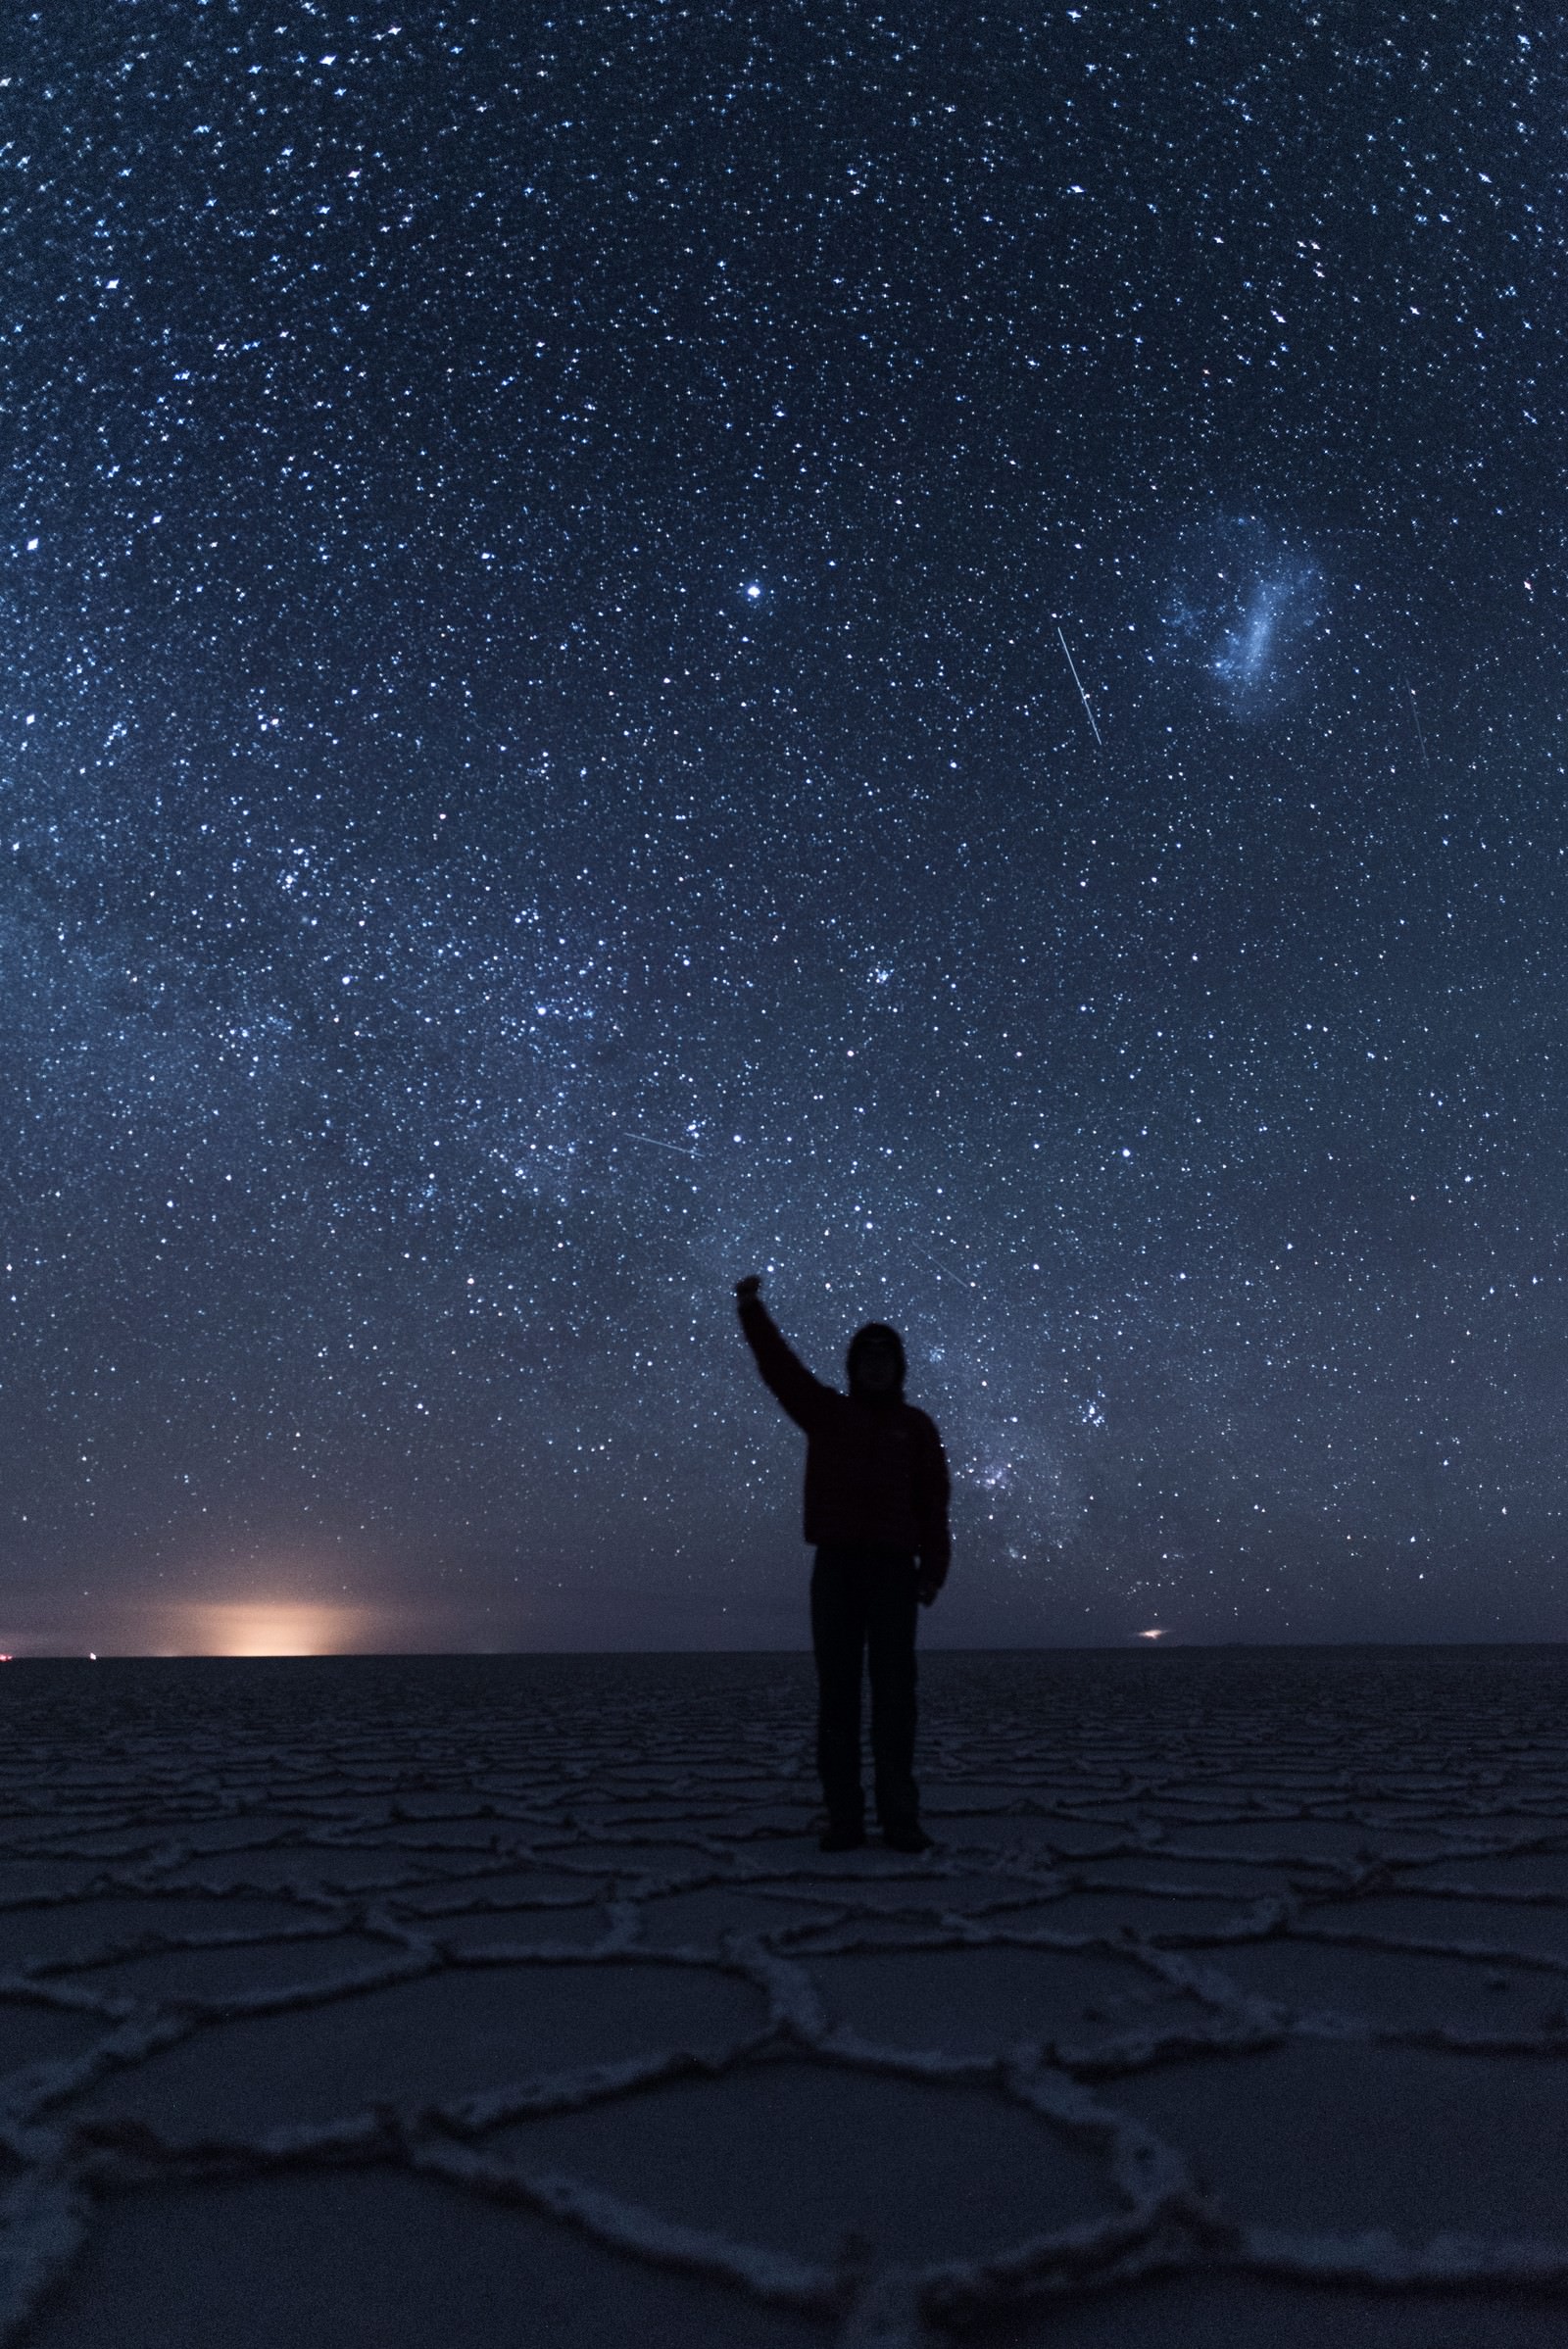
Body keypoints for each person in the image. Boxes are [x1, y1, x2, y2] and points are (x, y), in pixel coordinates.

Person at [734, 1275, 951, 1854]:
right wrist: (751, 1310)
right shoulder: (827, 1413)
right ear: (853, 1365)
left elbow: (934, 1503)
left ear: (899, 1368)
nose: (876, 1367)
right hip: (836, 1570)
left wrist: (933, 1568)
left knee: (895, 1697)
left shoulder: (916, 1427)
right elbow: (780, 1368)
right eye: (866, 1357)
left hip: (893, 1575)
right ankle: (845, 1818)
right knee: (838, 1697)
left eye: (887, 1359)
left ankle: (900, 1817)